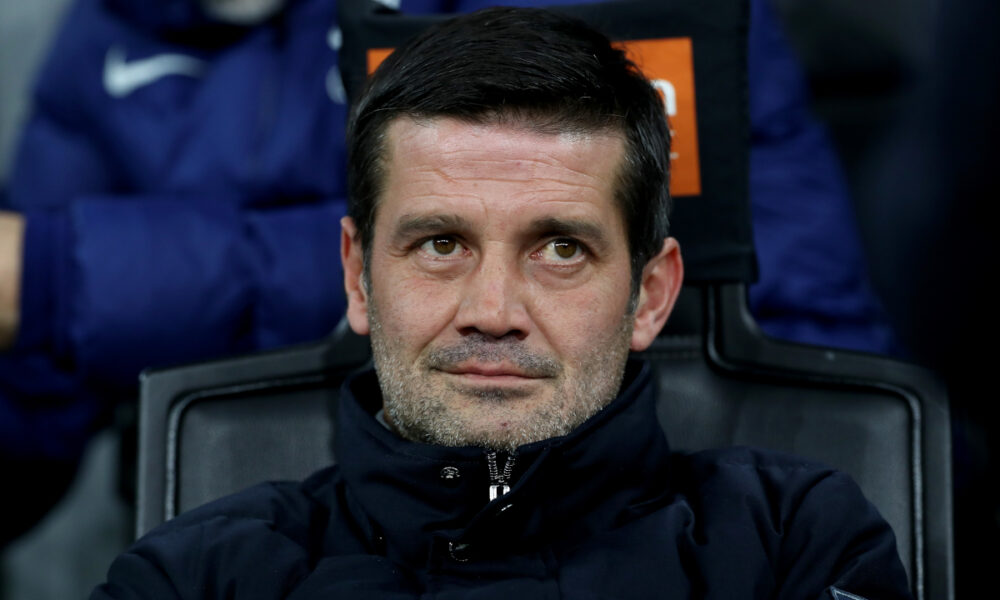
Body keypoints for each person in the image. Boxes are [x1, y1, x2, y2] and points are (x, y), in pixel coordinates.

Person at [90, 7, 912, 599]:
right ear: (357, 278)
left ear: (651, 294)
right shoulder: (191, 578)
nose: (493, 310)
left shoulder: (797, 542)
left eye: (561, 250)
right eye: (441, 245)